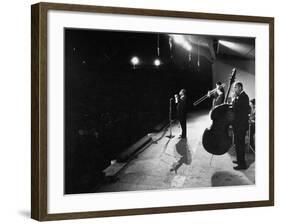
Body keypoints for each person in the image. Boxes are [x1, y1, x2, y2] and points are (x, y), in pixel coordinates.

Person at [231, 82, 251, 170]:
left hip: (241, 126)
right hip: (238, 125)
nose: (234, 89)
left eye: (235, 87)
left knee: (240, 144)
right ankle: (239, 160)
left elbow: (235, 108)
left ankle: (242, 164)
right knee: (237, 144)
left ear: (239, 87)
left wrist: (233, 98)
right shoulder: (241, 96)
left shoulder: (244, 97)